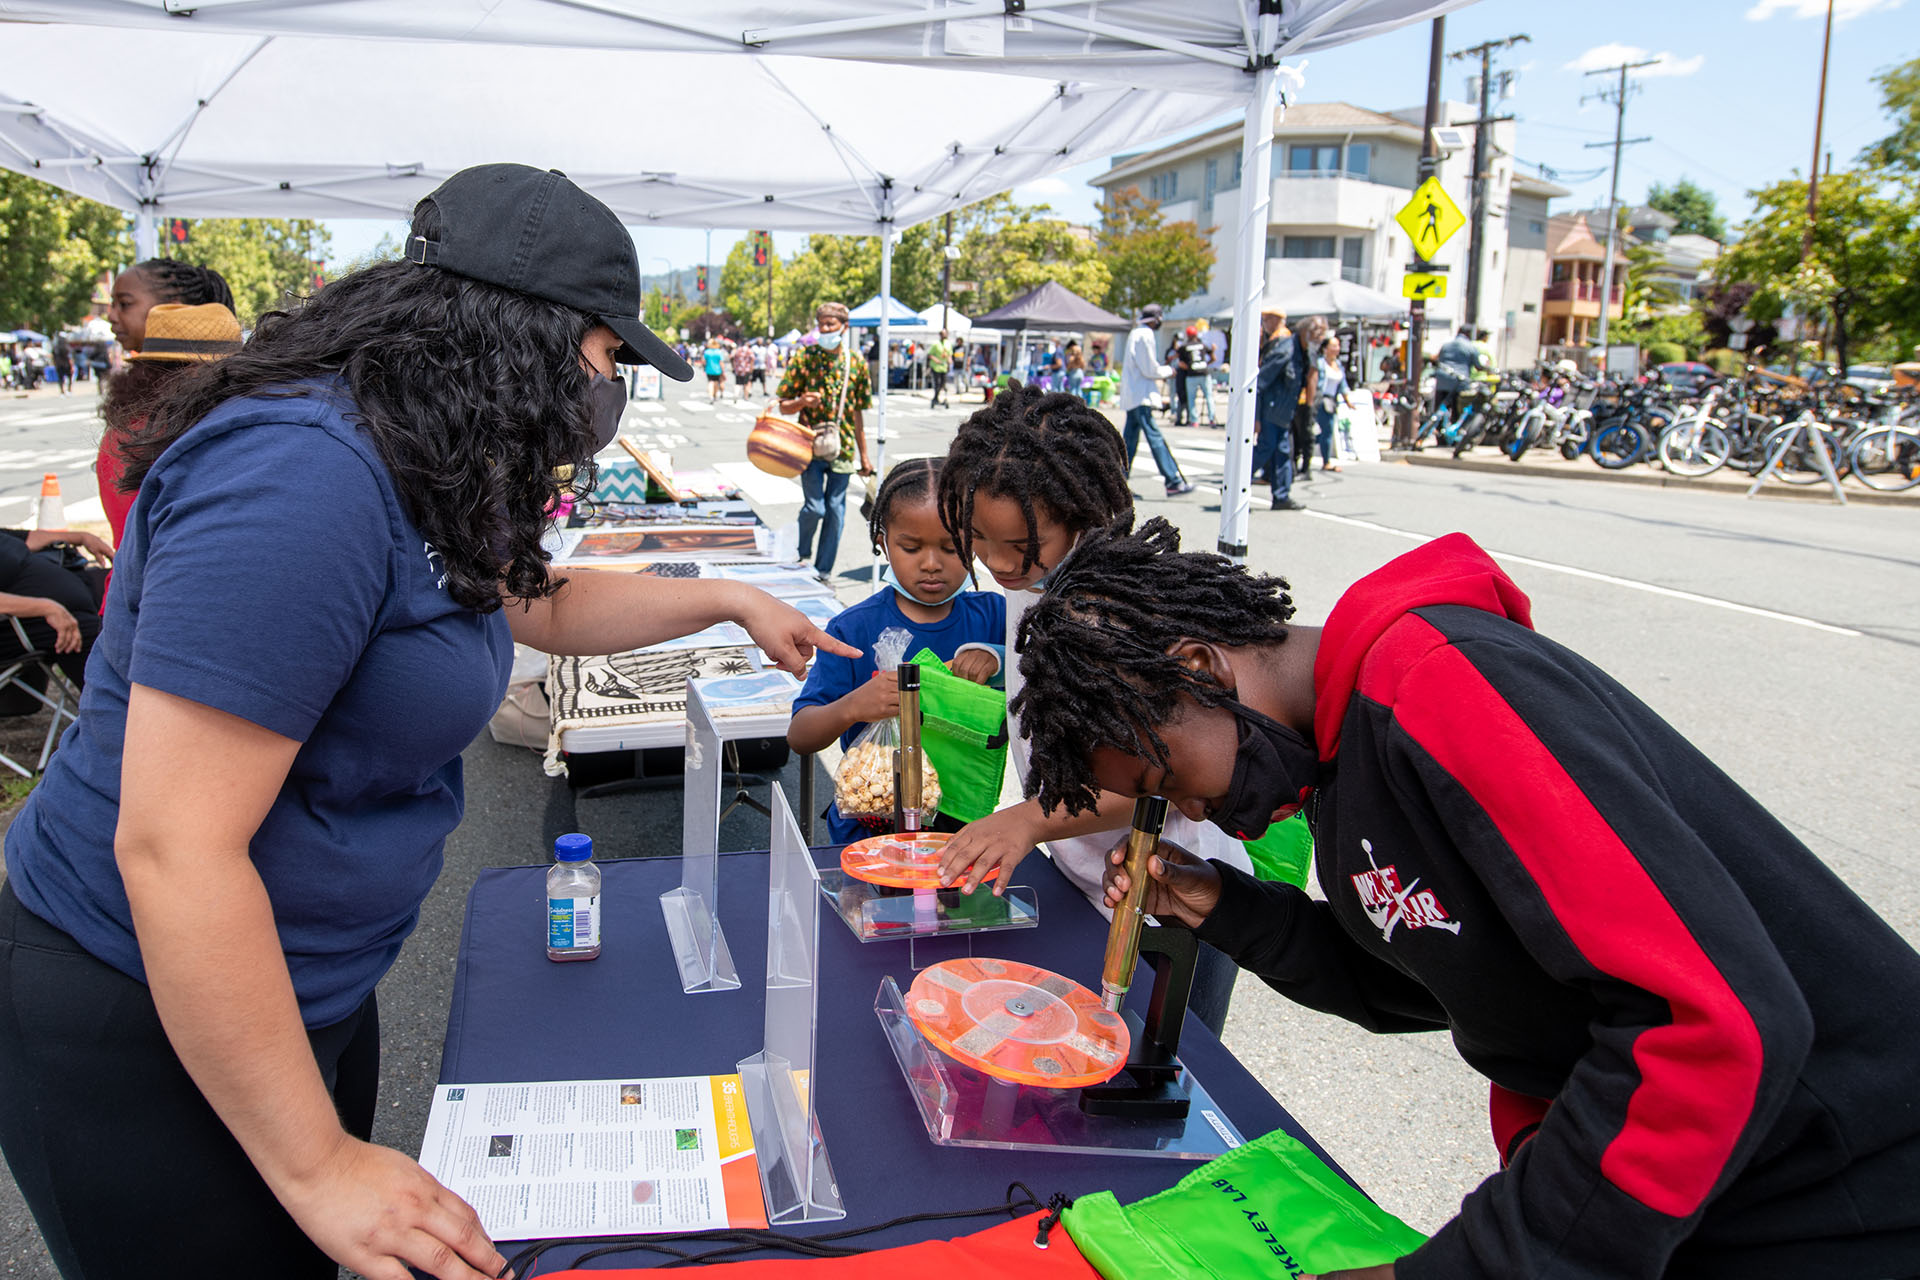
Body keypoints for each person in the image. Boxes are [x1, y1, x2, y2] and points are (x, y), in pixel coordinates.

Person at [0, 164, 856, 1280]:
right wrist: (315, 1162)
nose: (606, 397)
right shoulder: (304, 472)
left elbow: (530, 597)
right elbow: (175, 848)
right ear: (516, 334)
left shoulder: (422, 450)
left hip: (294, 986)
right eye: (606, 361)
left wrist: (728, 599)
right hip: (133, 1006)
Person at [1010, 516, 1920, 1280]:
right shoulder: (1334, 774)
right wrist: (1229, 911)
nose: (1198, 812)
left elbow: (1707, 1026)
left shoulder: (1442, 684)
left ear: (1202, 669)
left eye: (1174, 780)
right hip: (1695, 1194)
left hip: (1833, 1188)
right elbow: (1434, 983)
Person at [932, 382, 1249, 1033]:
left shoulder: (1112, 609)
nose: (993, 562)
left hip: (1172, 901)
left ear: (1082, 513)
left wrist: (1027, 820)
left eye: (1017, 544)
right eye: (976, 538)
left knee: (1160, 1077)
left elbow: (1170, 780)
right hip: (1087, 885)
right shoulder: (1036, 579)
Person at [788, 457, 1005, 843]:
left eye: (952, 547)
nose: (932, 564)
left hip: (963, 836)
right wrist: (854, 706)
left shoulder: (994, 616)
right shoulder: (853, 629)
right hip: (871, 830)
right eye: (911, 547)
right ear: (883, 543)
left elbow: (1047, 671)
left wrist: (997, 657)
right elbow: (801, 735)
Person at [100, 260, 238, 547]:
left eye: (124, 304)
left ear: (173, 307)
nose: (110, 315)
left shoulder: (132, 428)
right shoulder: (251, 418)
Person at [777, 301, 873, 583]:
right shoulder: (804, 357)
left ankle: (823, 570)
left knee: (835, 508)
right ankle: (802, 552)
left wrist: (864, 455)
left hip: (842, 448)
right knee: (815, 507)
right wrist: (802, 401)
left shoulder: (856, 362)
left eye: (831, 325)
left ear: (845, 327)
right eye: (821, 325)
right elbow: (783, 405)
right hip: (808, 444)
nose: (825, 329)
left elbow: (857, 414)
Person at [0, 525, 114, 710]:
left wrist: (81, 536)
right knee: (100, 635)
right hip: (22, 625)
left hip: (71, 594)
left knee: (128, 597)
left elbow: (27, 538)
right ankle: (115, 718)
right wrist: (45, 607)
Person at [1118, 305, 1194, 498]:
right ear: (1156, 319)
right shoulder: (1145, 335)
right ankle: (1173, 480)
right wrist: (1169, 371)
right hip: (1140, 395)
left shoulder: (1137, 334)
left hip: (1135, 394)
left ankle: (1119, 483)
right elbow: (1149, 369)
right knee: (1155, 437)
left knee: (1129, 442)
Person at [1253, 303, 1307, 512]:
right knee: (1275, 449)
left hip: (1275, 407)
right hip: (1275, 408)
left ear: (1277, 320)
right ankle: (1280, 494)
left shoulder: (1282, 342)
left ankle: (1281, 494)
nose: (1264, 324)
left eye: (1267, 319)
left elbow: (1263, 379)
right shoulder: (1278, 341)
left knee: (1276, 450)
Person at [1430, 325, 1491, 438]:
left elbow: (1437, 359)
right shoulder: (1470, 347)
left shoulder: (1446, 345)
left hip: (1442, 379)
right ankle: (1452, 436)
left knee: (1440, 407)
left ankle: (1439, 435)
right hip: (1459, 382)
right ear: (1469, 334)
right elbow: (1478, 365)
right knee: (1456, 411)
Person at [1291, 316, 1325, 482]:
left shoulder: (1311, 349)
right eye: (1318, 331)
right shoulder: (1305, 346)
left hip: (1307, 399)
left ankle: (1305, 468)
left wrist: (1309, 404)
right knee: (1297, 433)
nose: (1321, 336)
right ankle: (1297, 466)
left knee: (1305, 433)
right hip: (1301, 397)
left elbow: (1313, 377)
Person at [1313, 335, 1351, 474]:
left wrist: (1348, 401)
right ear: (1325, 348)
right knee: (1326, 430)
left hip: (1332, 401)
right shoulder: (1320, 363)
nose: (1337, 349)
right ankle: (1326, 461)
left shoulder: (1338, 364)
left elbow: (1343, 384)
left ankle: (1308, 448)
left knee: (1325, 431)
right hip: (1320, 399)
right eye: (1333, 346)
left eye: (1338, 346)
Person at [926, 330, 952, 408]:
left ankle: (936, 397)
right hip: (936, 367)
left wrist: (949, 361)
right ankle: (935, 398)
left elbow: (949, 354)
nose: (944, 336)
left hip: (944, 367)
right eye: (943, 334)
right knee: (937, 384)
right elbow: (930, 354)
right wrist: (935, 359)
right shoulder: (936, 344)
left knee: (943, 384)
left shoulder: (948, 344)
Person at [730, 337, 754, 402]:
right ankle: (746, 397)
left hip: (738, 369)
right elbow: (752, 359)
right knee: (746, 383)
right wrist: (751, 369)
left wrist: (733, 366)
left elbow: (731, 357)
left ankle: (736, 394)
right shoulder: (749, 350)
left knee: (738, 383)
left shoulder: (737, 350)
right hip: (746, 369)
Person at [703, 335, 726, 401]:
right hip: (717, 370)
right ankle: (714, 395)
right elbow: (721, 362)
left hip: (709, 369)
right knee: (716, 382)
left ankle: (711, 396)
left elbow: (704, 361)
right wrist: (723, 371)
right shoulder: (719, 352)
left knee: (710, 382)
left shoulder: (707, 352)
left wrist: (704, 367)